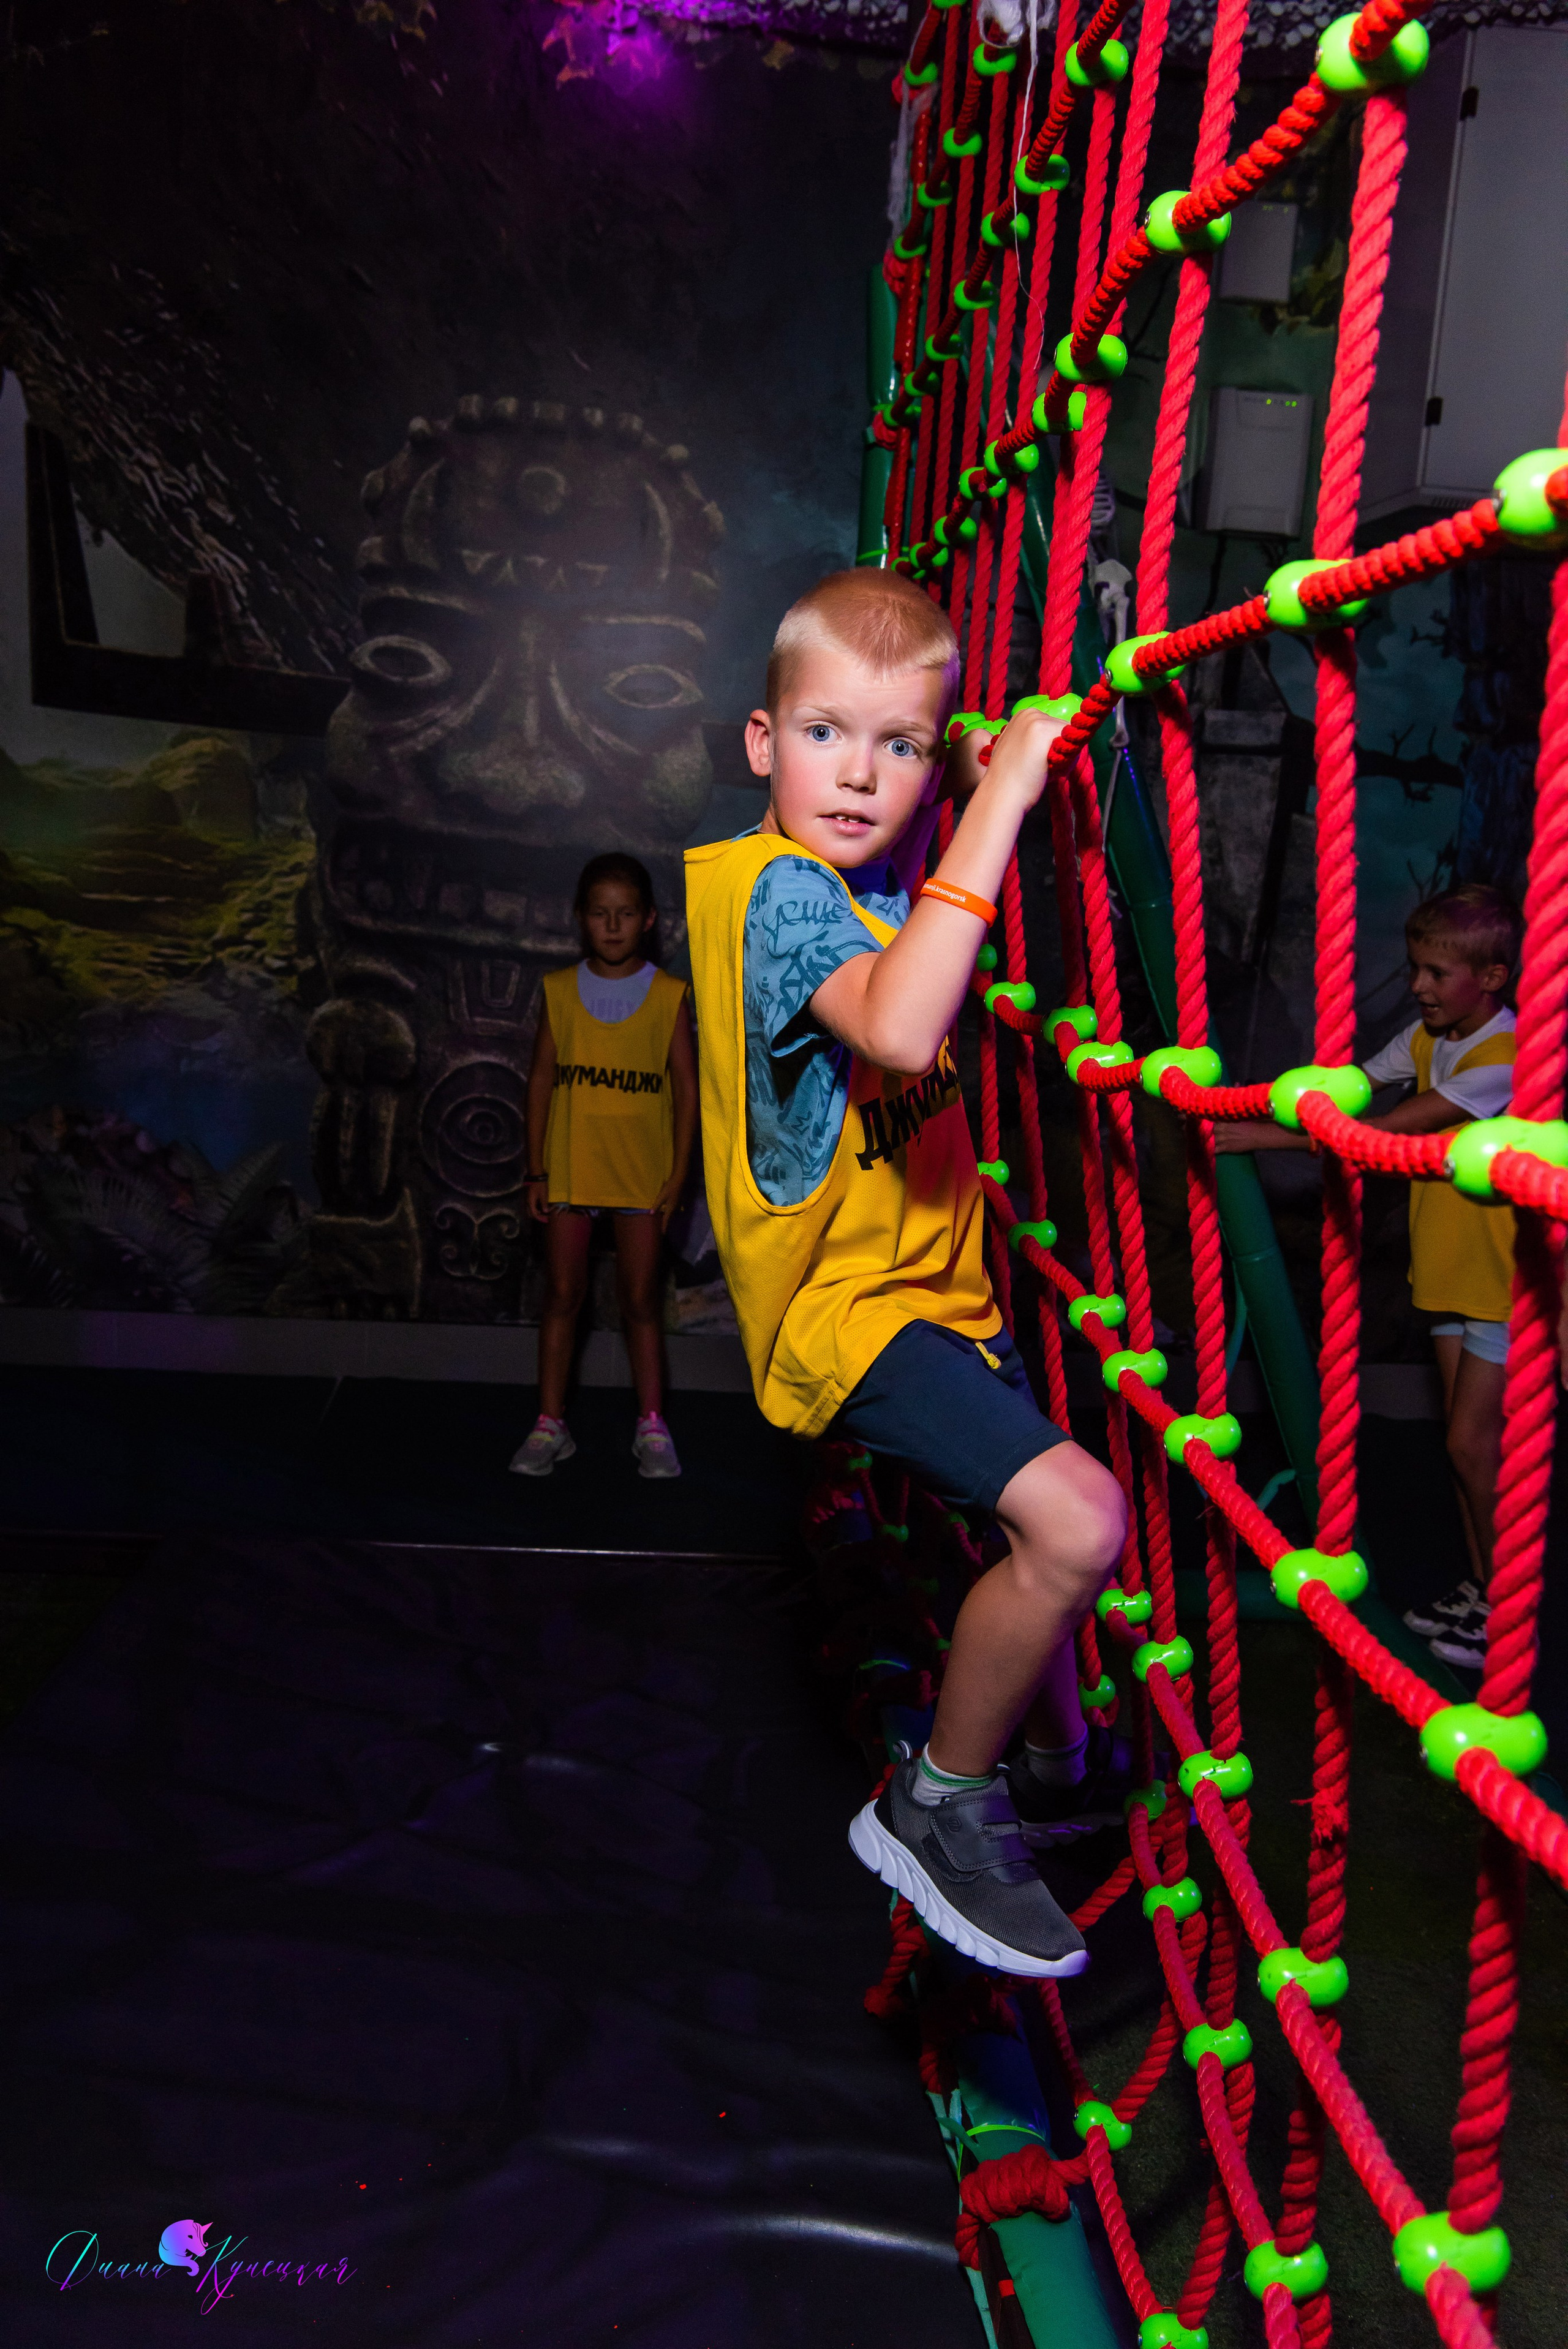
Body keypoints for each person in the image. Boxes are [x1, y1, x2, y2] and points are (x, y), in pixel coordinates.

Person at [684, 570, 1131, 1982]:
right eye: (825, 733)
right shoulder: (774, 893)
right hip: (847, 1316)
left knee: (1038, 1543)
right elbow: (893, 1026)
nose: (858, 774)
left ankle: (1053, 1760)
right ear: (760, 741)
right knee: (1077, 1520)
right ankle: (935, 1803)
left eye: (898, 744)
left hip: (938, 1294)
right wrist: (992, 801)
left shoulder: (860, 886)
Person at [1216, 883, 1521, 1667]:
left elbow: (1379, 1132)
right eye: (1415, 968)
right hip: (1449, 1271)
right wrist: (1253, 1100)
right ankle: (1483, 1586)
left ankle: (1511, 1615)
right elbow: (1345, 1085)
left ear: (1489, 979)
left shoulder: (1505, 1056)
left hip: (1501, 1280)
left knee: (1468, 1446)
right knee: (1464, 1450)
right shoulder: (1432, 1036)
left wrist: (1253, 1135)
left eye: (1434, 973)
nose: (1417, 986)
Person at [512, 853, 698, 1481]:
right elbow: (540, 1080)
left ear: (647, 920)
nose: (612, 925)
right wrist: (535, 1170)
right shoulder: (559, 991)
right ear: (581, 919)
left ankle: (651, 1425)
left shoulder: (669, 995)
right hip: (568, 1170)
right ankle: (548, 1423)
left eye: (624, 914)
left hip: (642, 1174)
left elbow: (688, 1090)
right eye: (599, 913)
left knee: (640, 1300)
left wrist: (677, 1176)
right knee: (563, 1295)